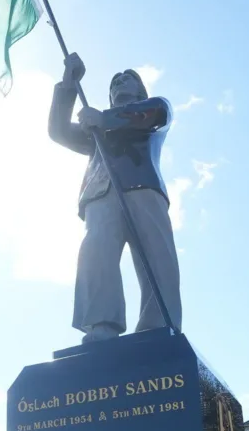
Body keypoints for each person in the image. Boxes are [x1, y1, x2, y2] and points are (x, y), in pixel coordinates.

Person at [49, 52, 180, 341]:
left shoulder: (152, 110)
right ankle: (101, 324)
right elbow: (58, 131)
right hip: (100, 194)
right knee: (95, 254)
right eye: (115, 82)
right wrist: (68, 85)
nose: (120, 83)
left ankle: (158, 326)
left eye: (127, 79)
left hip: (143, 189)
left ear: (140, 90)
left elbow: (154, 113)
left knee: (156, 259)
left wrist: (104, 117)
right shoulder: (96, 132)